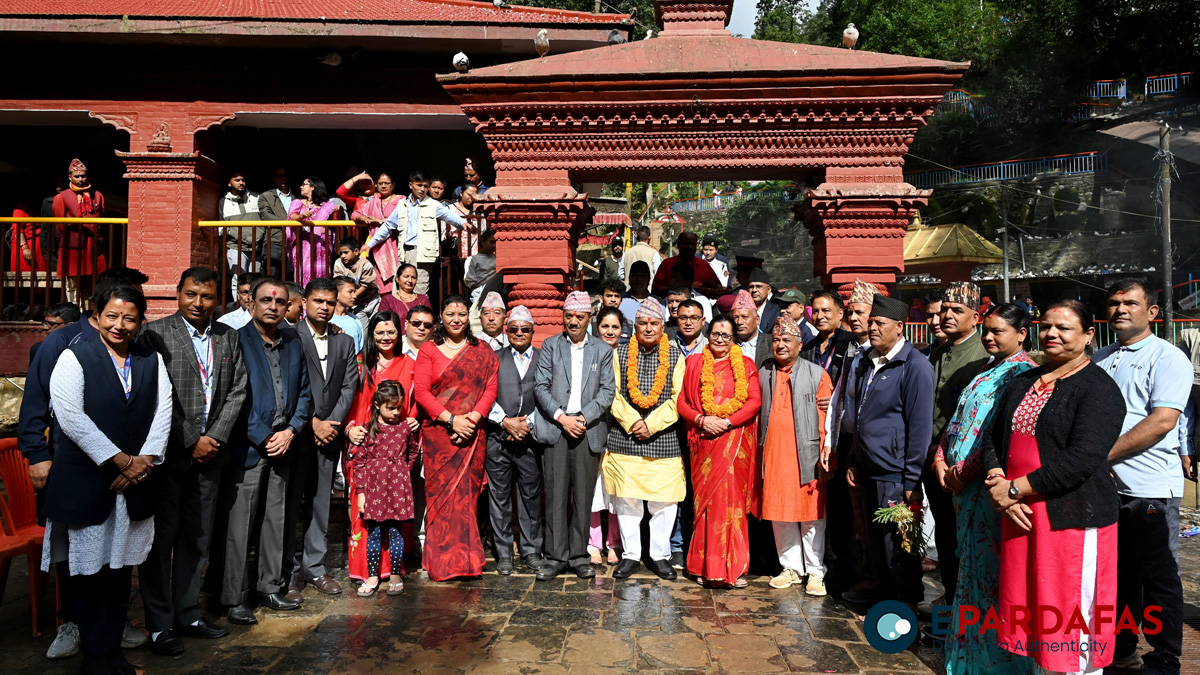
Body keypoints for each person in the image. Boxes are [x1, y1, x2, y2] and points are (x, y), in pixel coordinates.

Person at [981, 300, 1124, 675]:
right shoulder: (1022, 382)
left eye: (1063, 328)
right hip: (1024, 517)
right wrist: (999, 483)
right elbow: (993, 438)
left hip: (1072, 518)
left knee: (1072, 619)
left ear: (1089, 334)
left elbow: (1083, 458)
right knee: (1034, 616)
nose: (1052, 334)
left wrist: (1016, 490)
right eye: (1046, 326)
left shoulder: (1098, 389)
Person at [42, 285, 171, 675]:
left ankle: (113, 654)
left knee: (118, 576)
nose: (120, 325)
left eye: (129, 317)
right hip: (88, 483)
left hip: (133, 485)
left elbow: (163, 411)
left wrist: (143, 462)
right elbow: (71, 417)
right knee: (88, 576)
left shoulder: (150, 358)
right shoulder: (74, 357)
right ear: (96, 316)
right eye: (111, 316)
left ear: (140, 321)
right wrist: (120, 461)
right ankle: (97, 659)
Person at [139, 268, 247, 655]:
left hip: (211, 458)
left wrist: (214, 437)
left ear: (217, 298)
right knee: (160, 541)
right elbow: (150, 394)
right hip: (169, 457)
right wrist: (190, 440)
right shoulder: (154, 334)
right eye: (190, 294)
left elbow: (237, 388)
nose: (197, 303)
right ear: (178, 294)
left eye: (205, 296)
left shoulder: (227, 336)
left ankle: (188, 613)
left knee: (197, 539)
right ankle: (158, 624)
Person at [930, 303, 1037, 674]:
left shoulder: (1021, 375)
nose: (989, 338)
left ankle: (993, 661)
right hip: (961, 488)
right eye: (987, 331)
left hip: (984, 488)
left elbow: (995, 433)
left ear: (1021, 334)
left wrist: (965, 470)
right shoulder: (985, 370)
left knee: (990, 574)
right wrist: (941, 458)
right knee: (969, 570)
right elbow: (958, 419)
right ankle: (966, 653)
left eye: (998, 332)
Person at [1093, 278, 1189, 674]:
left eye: (1130, 303)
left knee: (1158, 578)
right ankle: (1121, 648)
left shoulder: (1166, 358)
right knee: (1116, 579)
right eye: (1114, 303)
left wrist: (1098, 455)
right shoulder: (1100, 357)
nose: (1120, 310)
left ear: (1151, 312)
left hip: (1150, 488)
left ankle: (1165, 658)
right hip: (1105, 488)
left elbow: (1163, 420)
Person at [219, 277, 313, 625]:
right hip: (249, 446)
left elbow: (304, 392)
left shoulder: (292, 342)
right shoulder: (236, 340)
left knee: (277, 520)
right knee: (240, 525)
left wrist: (290, 431)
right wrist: (264, 435)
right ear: (252, 304)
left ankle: (270, 586)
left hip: (284, 444)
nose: (273, 306)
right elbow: (233, 396)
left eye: (279, 301)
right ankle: (234, 596)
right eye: (266, 300)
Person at [842, 294, 935, 607]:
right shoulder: (868, 362)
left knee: (899, 544)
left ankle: (905, 602)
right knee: (875, 542)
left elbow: (920, 427)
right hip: (869, 469)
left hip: (895, 475)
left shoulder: (915, 366)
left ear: (899, 327)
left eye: (879, 323)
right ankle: (883, 595)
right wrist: (855, 459)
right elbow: (860, 417)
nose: (872, 328)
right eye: (871, 322)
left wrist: (911, 481)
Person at [412, 295, 499, 580]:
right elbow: (422, 392)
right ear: (442, 317)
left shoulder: (482, 350)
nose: (457, 319)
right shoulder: (429, 350)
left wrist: (472, 419)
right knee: (440, 499)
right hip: (440, 437)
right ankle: (441, 563)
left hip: (472, 435)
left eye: (462, 313)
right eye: (450, 313)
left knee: (466, 500)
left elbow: (490, 387)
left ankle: (467, 562)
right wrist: (451, 420)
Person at [284, 279, 359, 601]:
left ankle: (315, 567)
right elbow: (288, 385)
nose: (324, 307)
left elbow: (349, 386)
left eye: (329, 302)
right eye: (318, 301)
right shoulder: (290, 337)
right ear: (304, 303)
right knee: (288, 505)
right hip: (298, 434)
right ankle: (286, 571)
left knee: (320, 503)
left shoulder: (343, 342)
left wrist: (332, 423)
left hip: (329, 435)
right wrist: (311, 421)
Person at [534, 291, 617, 579]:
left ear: (589, 318)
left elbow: (607, 391)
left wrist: (581, 418)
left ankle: (580, 554)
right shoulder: (550, 346)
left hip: (587, 429)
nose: (573, 321)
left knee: (583, 495)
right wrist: (562, 417)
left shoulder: (602, 350)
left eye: (579, 316)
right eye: (569, 316)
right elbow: (540, 387)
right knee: (556, 494)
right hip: (556, 428)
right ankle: (556, 556)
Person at [604, 298, 687, 580]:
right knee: (627, 501)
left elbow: (679, 399)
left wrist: (650, 425)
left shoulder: (676, 356)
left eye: (654, 323)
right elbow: (612, 394)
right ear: (634, 326)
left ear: (664, 327)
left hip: (662, 438)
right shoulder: (620, 353)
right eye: (643, 323)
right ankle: (630, 556)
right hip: (625, 436)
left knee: (664, 502)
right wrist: (633, 421)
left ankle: (660, 556)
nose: (648, 328)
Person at [676, 315, 762, 588]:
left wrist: (726, 421)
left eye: (726, 335)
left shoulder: (746, 365)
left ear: (734, 338)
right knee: (706, 506)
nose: (720, 340)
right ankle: (704, 566)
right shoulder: (694, 363)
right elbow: (681, 401)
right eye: (715, 334)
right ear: (708, 334)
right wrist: (702, 420)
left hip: (734, 443)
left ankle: (733, 569)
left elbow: (753, 401)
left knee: (732, 505)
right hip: (703, 442)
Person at [756, 313, 833, 595]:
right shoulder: (763, 372)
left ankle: (815, 571)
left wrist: (827, 452)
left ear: (800, 345)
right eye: (776, 340)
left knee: (811, 516)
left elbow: (828, 419)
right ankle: (790, 567)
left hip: (808, 455)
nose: (780, 345)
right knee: (780, 514)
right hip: (774, 455)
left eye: (787, 340)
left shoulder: (817, 374)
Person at [345, 310, 423, 582]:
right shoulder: (359, 365)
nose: (386, 337)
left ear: (398, 334)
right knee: (364, 510)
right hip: (365, 446)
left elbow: (417, 401)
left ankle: (393, 570)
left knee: (393, 514)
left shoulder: (409, 364)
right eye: (380, 332)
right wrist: (351, 428)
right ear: (372, 335)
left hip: (394, 450)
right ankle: (366, 571)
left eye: (391, 332)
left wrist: (414, 421)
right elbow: (351, 402)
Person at [926, 281, 988, 609]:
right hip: (934, 458)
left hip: (966, 465)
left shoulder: (983, 357)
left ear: (975, 318)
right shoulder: (937, 353)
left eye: (957, 311)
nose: (947, 316)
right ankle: (952, 599)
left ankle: (968, 606)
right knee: (945, 534)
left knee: (967, 539)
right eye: (945, 310)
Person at [484, 306, 546, 574]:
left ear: (533, 332)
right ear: (506, 332)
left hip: (530, 440)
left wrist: (527, 423)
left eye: (525, 329)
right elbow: (483, 395)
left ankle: (531, 550)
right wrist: (505, 421)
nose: (519, 333)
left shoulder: (544, 359)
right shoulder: (493, 358)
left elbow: (549, 395)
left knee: (531, 496)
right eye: (514, 329)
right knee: (499, 498)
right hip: (498, 438)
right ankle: (504, 552)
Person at [346, 381, 418, 597]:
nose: (396, 412)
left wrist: (402, 471)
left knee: (396, 532)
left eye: (399, 407)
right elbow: (359, 463)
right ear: (378, 404)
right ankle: (373, 575)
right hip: (374, 489)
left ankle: (395, 574)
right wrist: (361, 493)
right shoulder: (369, 430)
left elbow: (413, 452)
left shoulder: (406, 427)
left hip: (397, 488)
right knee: (374, 533)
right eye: (391, 407)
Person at [364, 170, 466, 297]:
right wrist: (370, 244)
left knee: (419, 291)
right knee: (399, 289)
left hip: (422, 253)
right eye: (419, 185)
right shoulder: (403, 204)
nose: (423, 189)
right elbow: (388, 226)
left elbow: (449, 215)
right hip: (404, 252)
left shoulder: (433, 204)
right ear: (411, 185)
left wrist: (463, 223)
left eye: (425, 186)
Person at [589, 307, 624, 565]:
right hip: (593, 425)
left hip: (621, 429)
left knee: (616, 488)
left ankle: (614, 542)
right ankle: (593, 541)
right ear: (596, 328)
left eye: (615, 327)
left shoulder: (625, 356)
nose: (610, 332)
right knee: (594, 485)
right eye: (605, 327)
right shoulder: (588, 352)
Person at [52, 159, 106, 300]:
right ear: (70, 177)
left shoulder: (97, 195)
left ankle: (90, 311)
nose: (81, 179)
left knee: (93, 281)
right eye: (77, 176)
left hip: (94, 244)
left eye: (83, 176)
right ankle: (74, 311)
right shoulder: (61, 197)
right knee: (72, 282)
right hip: (73, 245)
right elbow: (60, 224)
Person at [352, 172, 402, 294]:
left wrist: (378, 220)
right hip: (378, 248)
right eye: (380, 183)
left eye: (387, 183)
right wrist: (364, 218)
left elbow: (401, 220)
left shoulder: (401, 200)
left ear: (393, 185)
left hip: (397, 244)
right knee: (381, 283)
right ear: (376, 185)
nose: (384, 186)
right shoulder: (373, 202)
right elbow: (355, 214)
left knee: (399, 277)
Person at [287, 177, 339, 289]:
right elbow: (292, 216)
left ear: (313, 187)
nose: (301, 187)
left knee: (322, 272)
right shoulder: (298, 203)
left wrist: (337, 211)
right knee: (303, 272)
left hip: (321, 244)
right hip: (303, 244)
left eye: (304, 184)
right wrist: (302, 216)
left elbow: (333, 223)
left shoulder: (327, 205)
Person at [217, 172, 262, 297]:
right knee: (238, 278)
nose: (241, 182)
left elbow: (263, 221)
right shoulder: (223, 201)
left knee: (255, 280)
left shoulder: (256, 197)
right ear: (229, 183)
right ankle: (238, 306)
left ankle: (253, 306)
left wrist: (257, 237)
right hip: (235, 246)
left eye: (243, 180)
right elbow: (222, 227)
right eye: (237, 180)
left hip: (255, 247)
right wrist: (240, 237)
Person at [800, 289, 854, 384]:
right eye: (815, 311)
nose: (820, 316)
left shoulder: (852, 344)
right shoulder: (807, 350)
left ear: (840, 313)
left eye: (826, 310)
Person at [651, 232, 722, 297]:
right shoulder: (667, 264)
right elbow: (655, 289)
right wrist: (677, 288)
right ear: (678, 245)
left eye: (693, 244)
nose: (690, 247)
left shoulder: (704, 265)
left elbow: (718, 288)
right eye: (686, 244)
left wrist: (702, 287)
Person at [332, 236, 380, 328]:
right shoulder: (339, 264)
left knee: (375, 328)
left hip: (372, 301)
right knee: (363, 330)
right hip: (357, 305)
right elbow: (340, 284)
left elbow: (365, 286)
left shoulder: (365, 264)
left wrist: (352, 296)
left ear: (356, 251)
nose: (343, 256)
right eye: (341, 253)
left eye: (346, 252)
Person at [258, 168, 293, 274]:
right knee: (272, 277)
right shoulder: (266, 196)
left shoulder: (298, 198)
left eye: (285, 175)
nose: (283, 178)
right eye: (279, 176)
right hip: (275, 241)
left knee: (292, 279)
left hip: (294, 242)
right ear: (274, 178)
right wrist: (290, 222)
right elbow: (266, 215)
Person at [378, 263, 431, 330]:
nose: (410, 281)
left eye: (413, 277)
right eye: (406, 276)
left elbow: (430, 321)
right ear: (397, 279)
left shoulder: (423, 299)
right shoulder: (388, 300)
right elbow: (382, 324)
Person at [731, 290, 772, 367]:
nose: (739, 322)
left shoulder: (771, 343)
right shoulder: (727, 344)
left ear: (757, 320)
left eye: (745, 317)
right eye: (735, 317)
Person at [619, 261, 662, 326]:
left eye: (642, 275)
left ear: (649, 279)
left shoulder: (659, 303)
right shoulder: (619, 301)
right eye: (635, 275)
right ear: (629, 279)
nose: (639, 279)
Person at [331, 277, 366, 353]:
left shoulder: (355, 320)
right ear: (336, 294)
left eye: (354, 291)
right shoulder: (327, 320)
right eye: (350, 292)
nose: (354, 295)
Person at [745, 268, 781, 334]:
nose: (754, 290)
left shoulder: (777, 311)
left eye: (759, 286)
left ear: (769, 290)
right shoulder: (742, 310)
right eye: (751, 287)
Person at [919, 289, 948, 357]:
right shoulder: (921, 357)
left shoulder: (975, 355)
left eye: (940, 314)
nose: (934, 322)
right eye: (930, 315)